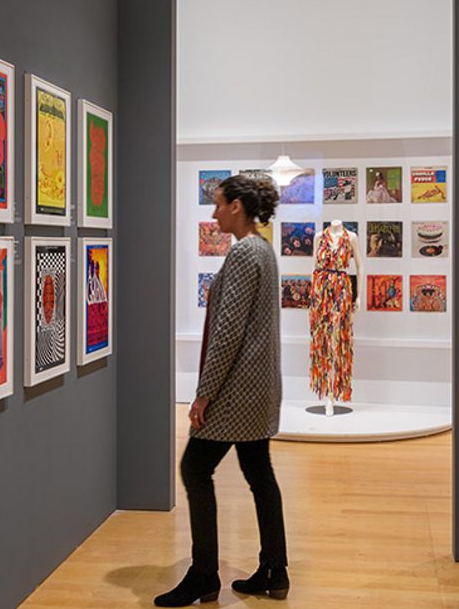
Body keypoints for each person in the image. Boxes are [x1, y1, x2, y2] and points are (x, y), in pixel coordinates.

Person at [156, 175, 290, 607]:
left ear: (236, 206)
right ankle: (275, 569)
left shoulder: (244, 254)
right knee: (259, 473)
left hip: (236, 392)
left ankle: (203, 575)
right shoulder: (264, 251)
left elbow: (228, 333)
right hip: (259, 389)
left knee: (195, 469)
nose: (213, 214)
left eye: (217, 205)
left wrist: (204, 393)